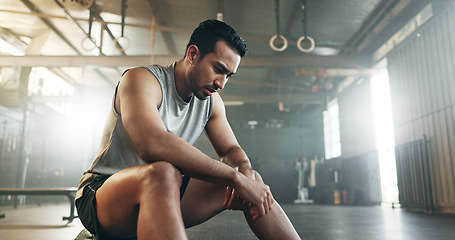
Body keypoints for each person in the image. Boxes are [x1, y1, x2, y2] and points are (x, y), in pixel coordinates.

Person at [75, 19, 301, 240]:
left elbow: (231, 149)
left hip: (164, 193)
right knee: (163, 172)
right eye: (218, 69)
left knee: (252, 181)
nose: (221, 83)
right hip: (101, 197)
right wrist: (235, 178)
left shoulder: (211, 102)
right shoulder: (142, 80)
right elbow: (153, 144)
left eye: (228, 76)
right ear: (193, 55)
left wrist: (245, 171)